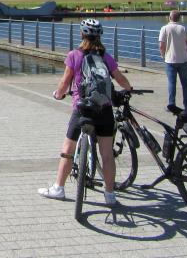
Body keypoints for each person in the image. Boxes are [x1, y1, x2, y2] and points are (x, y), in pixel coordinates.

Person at [38, 19, 133, 206]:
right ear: (99, 36)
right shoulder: (105, 56)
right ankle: (110, 194)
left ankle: (59, 188)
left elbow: (65, 83)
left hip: (82, 108)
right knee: (106, 153)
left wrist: (58, 95)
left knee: (68, 150)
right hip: (104, 109)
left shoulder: (74, 55)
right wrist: (129, 88)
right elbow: (120, 78)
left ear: (82, 34)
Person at [159, 10, 187, 111]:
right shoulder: (184, 28)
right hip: (182, 59)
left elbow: (161, 45)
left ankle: (171, 104)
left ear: (170, 17)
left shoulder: (164, 28)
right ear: (179, 18)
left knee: (172, 83)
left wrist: (163, 55)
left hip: (170, 60)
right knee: (185, 83)